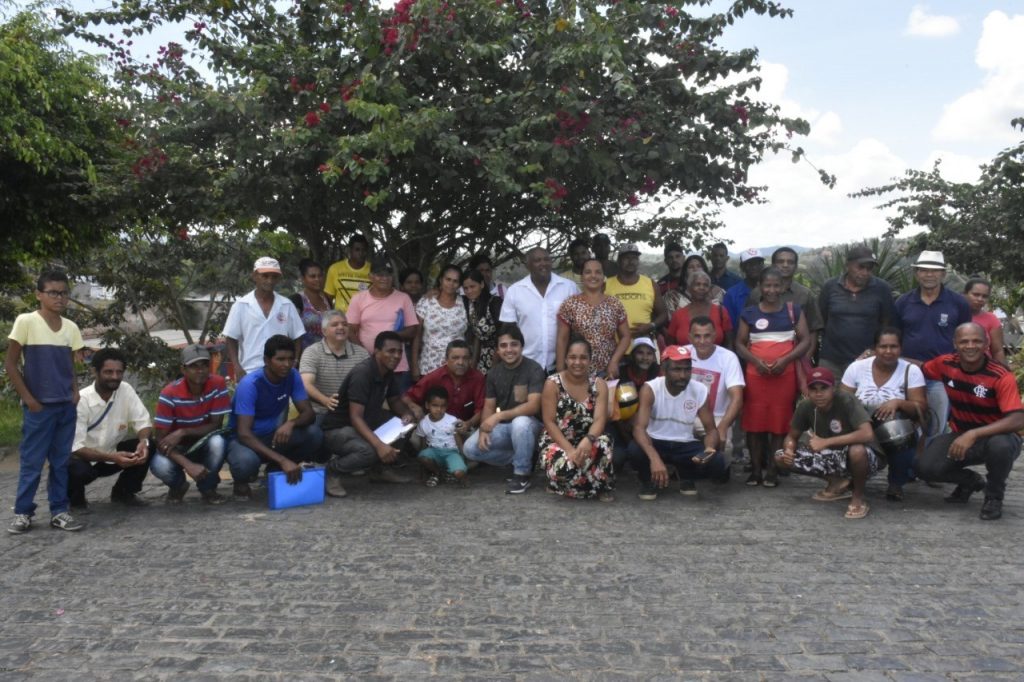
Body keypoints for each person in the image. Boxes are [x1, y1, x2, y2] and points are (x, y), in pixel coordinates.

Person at [916, 322, 1024, 520]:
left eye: (977, 341)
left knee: (1000, 446)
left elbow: (1017, 419)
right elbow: (919, 367)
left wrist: (973, 434)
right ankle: (971, 481)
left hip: (1000, 437)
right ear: (955, 344)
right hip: (961, 434)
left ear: (986, 344)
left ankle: (994, 497)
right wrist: (882, 357)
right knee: (925, 467)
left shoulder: (1001, 375)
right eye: (964, 341)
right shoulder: (945, 364)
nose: (970, 346)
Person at [6, 270, 85, 534]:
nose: (59, 298)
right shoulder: (26, 321)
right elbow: (11, 364)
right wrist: (29, 399)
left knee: (61, 461)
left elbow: (70, 365)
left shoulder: (71, 327)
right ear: (39, 295)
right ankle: (23, 512)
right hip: (39, 406)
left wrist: (75, 392)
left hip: (65, 405)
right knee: (32, 461)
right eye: (53, 292)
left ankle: (59, 511)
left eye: (63, 293)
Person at [734, 266, 811, 487]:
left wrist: (785, 360)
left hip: (784, 376)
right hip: (756, 376)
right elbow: (739, 343)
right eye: (767, 285)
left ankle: (773, 472)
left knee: (779, 424)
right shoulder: (749, 313)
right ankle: (755, 471)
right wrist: (756, 361)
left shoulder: (793, 311)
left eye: (776, 285)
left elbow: (805, 340)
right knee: (754, 424)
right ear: (760, 286)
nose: (771, 290)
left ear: (783, 287)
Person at [226, 335, 323, 499]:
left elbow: (309, 413)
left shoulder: (292, 375)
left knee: (314, 434)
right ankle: (241, 481)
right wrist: (282, 459)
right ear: (267, 360)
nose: (287, 364)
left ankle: (274, 469)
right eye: (280, 359)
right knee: (246, 462)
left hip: (272, 435)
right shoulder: (250, 384)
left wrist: (291, 423)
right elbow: (244, 433)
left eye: (290, 359)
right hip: (244, 441)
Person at [775, 367, 880, 520]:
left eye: (824, 388)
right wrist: (789, 449)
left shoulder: (847, 400)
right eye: (814, 389)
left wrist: (826, 442)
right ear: (808, 390)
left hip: (862, 456)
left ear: (833, 388)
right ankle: (837, 482)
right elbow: (792, 436)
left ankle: (858, 497)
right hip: (831, 455)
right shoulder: (806, 406)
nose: (819, 394)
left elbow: (867, 434)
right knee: (780, 456)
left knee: (857, 450)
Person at [322, 331, 416, 497]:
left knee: (406, 425)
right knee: (370, 451)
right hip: (339, 429)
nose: (396, 356)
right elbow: (355, 417)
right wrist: (379, 445)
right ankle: (331, 471)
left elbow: (394, 400)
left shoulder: (387, 371)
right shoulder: (363, 373)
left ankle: (380, 470)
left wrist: (406, 414)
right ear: (377, 352)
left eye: (399, 352)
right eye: (391, 351)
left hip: (366, 422)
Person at [839, 328, 926, 502]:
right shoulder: (856, 368)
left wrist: (898, 402)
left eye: (893, 346)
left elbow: (921, 407)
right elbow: (842, 402)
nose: (888, 351)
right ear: (874, 348)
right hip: (861, 424)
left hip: (895, 428)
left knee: (901, 432)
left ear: (901, 348)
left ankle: (896, 482)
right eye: (883, 346)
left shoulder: (911, 370)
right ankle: (854, 477)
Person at [626, 346, 724, 499]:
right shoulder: (650, 388)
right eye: (677, 370)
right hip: (655, 442)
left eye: (687, 369)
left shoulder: (699, 390)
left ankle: (686, 475)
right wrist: (654, 459)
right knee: (635, 450)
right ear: (664, 370)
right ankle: (648, 480)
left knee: (717, 461)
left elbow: (711, 430)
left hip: (684, 444)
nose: (683, 375)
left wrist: (709, 449)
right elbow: (639, 428)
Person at [896, 250, 973, 438]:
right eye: (924, 270)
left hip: (941, 376)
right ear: (916, 273)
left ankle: (932, 458)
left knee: (936, 427)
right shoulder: (903, 302)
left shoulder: (958, 303)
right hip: (907, 374)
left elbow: (965, 338)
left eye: (934, 270)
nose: (929, 275)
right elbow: (893, 337)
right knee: (905, 427)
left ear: (943, 274)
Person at [462, 324, 546, 494]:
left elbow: (533, 406)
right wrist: (485, 428)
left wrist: (498, 417)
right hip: (505, 428)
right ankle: (526, 458)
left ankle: (522, 474)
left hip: (531, 427)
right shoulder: (493, 373)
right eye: (503, 345)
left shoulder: (534, 369)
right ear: (498, 350)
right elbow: (489, 406)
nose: (509, 350)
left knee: (520, 423)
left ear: (522, 346)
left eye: (514, 344)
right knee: (470, 449)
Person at [69, 348, 153, 510]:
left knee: (150, 445)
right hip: (85, 459)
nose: (115, 377)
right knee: (74, 468)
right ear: (95, 372)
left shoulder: (125, 390)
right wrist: (113, 458)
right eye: (108, 372)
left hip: (112, 455)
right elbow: (76, 447)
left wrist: (144, 442)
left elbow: (143, 422)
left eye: (119, 372)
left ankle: (124, 493)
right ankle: (75, 500)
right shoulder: (82, 400)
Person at [150, 344, 231, 505]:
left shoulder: (218, 384)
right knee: (159, 465)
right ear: (183, 369)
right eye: (194, 366)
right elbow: (160, 440)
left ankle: (208, 488)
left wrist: (183, 432)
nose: (200, 370)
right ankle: (178, 485)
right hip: (175, 448)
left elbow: (216, 425)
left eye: (204, 365)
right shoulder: (169, 393)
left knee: (218, 442)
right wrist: (188, 464)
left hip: (203, 442)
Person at [539, 338, 615, 500]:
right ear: (566, 359)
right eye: (573, 357)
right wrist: (570, 450)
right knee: (563, 468)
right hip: (559, 442)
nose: (577, 362)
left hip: (588, 440)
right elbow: (549, 421)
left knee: (604, 444)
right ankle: (592, 485)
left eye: (583, 357)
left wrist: (588, 441)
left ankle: (572, 486)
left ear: (590, 360)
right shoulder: (552, 384)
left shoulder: (599, 384)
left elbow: (600, 420)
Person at [817, 245, 896, 377]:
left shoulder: (882, 289)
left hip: (867, 360)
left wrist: (874, 350)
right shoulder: (830, 287)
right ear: (847, 265)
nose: (865, 272)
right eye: (860, 267)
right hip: (831, 361)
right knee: (829, 391)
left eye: (869, 268)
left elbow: (888, 324)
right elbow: (821, 320)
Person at [499, 247, 579, 372]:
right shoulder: (515, 291)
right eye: (537, 260)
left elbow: (578, 326)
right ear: (528, 265)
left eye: (546, 259)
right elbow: (508, 330)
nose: (543, 263)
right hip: (525, 365)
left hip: (561, 365)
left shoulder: (569, 287)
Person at [223, 256, 304, 379]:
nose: (270, 280)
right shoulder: (241, 305)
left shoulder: (287, 305)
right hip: (249, 371)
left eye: (274, 276)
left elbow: (298, 336)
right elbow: (230, 338)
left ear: (278, 279)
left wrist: (295, 361)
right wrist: (237, 367)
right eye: (265, 276)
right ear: (255, 276)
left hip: (280, 373)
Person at [346, 256, 419, 388]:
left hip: (396, 364)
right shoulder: (358, 298)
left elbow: (413, 329)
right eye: (380, 274)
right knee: (368, 399)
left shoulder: (403, 298)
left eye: (388, 274)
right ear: (370, 277)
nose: (384, 278)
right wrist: (364, 355)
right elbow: (350, 330)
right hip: (367, 364)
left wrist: (389, 337)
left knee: (397, 399)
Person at [555, 258, 631, 379]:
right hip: (577, 370)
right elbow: (562, 339)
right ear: (582, 277)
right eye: (588, 272)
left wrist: (614, 361)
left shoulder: (614, 304)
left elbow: (626, 336)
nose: (593, 276)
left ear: (603, 276)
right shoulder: (570, 304)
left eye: (598, 272)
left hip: (607, 372)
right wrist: (560, 370)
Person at [685, 316, 745, 462]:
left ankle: (721, 471)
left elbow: (737, 398)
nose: (702, 341)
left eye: (707, 336)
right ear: (689, 337)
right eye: (697, 336)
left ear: (715, 336)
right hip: (685, 414)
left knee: (725, 449)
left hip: (717, 417)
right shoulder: (683, 353)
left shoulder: (728, 358)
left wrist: (723, 427)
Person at [746, 247, 823, 361]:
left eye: (790, 262)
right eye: (780, 261)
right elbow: (747, 330)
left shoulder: (805, 295)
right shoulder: (756, 294)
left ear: (796, 266)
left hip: (797, 359)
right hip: (760, 360)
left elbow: (813, 330)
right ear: (773, 265)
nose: (785, 265)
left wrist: (806, 360)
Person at [299, 310, 369, 424]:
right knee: (313, 432)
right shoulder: (312, 352)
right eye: (335, 325)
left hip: (354, 412)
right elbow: (306, 384)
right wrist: (326, 401)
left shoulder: (362, 353)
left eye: (344, 324)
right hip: (322, 411)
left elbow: (370, 383)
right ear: (324, 331)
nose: (341, 327)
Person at [403, 340, 485, 434]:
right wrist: (414, 407)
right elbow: (407, 397)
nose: (461, 362)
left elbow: (482, 409)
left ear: (470, 360)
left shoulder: (478, 378)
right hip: (435, 429)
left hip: (465, 429)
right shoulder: (435, 377)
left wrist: (469, 424)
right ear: (446, 359)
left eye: (465, 358)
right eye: (455, 358)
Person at [412, 264, 467, 380]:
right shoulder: (426, 301)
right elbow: (416, 335)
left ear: (459, 284)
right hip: (429, 365)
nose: (451, 284)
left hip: (458, 367)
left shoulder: (465, 303)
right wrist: (414, 365)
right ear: (441, 280)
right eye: (448, 279)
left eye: (455, 281)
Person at [605, 242, 667, 339]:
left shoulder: (651, 284)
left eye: (634, 258)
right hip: (614, 345)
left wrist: (651, 326)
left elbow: (663, 314)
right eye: (626, 258)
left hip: (643, 345)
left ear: (638, 261)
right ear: (619, 261)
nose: (631, 261)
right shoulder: (606, 285)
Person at [415, 386, 467, 487]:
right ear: (427, 405)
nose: (439, 409)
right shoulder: (423, 423)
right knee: (422, 456)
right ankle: (437, 473)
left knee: (459, 473)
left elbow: (458, 440)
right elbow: (423, 445)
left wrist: (463, 457)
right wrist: (422, 467)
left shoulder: (452, 420)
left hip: (451, 453)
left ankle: (450, 470)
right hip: (434, 452)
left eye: (443, 406)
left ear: (447, 406)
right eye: (435, 405)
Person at [665, 270, 732, 348]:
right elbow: (671, 345)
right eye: (697, 284)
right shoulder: (678, 315)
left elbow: (729, 343)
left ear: (709, 289)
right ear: (689, 288)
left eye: (705, 285)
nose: (701, 287)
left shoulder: (720, 311)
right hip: (686, 356)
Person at [289, 258, 334, 354]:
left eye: (320, 276)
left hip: (328, 355)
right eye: (312, 276)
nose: (317, 279)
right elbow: (291, 331)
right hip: (304, 356)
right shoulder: (297, 300)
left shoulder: (327, 300)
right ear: (303, 279)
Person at [461, 268, 503, 372]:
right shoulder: (470, 304)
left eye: (472, 286)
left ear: (482, 284)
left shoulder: (494, 303)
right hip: (481, 357)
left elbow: (503, 334)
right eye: (465, 288)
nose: (469, 291)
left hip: (499, 356)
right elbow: (477, 337)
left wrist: (494, 366)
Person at [963, 276, 1007, 366]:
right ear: (965, 294)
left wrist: (1003, 371)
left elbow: (997, 351)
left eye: (984, 296)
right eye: (976, 295)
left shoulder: (991, 319)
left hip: (984, 369)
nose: (980, 299)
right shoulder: (953, 316)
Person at [324, 233, 371, 312]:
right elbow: (328, 298)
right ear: (350, 250)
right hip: (342, 318)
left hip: (366, 317)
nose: (361, 253)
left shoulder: (373, 270)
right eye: (357, 249)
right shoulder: (335, 269)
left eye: (364, 250)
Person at [722, 248, 765, 328]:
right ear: (742, 267)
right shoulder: (731, 294)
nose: (754, 267)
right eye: (749, 264)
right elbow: (729, 327)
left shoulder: (772, 290)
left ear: (763, 265)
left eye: (758, 263)